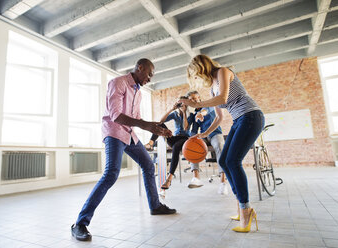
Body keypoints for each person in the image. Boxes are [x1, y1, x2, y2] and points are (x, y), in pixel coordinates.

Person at [71, 59, 176, 242]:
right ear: (139, 67)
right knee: (111, 173)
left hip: (129, 135)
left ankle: (155, 206)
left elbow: (136, 119)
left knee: (148, 165)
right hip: (113, 132)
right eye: (149, 74)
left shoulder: (139, 93)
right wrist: (145, 125)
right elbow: (116, 115)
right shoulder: (118, 83)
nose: (150, 79)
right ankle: (80, 223)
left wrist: (157, 128)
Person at [178, 55, 264, 233]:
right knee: (224, 161)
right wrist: (205, 134)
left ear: (201, 68)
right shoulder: (212, 89)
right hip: (239, 120)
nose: (198, 79)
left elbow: (224, 98)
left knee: (233, 161)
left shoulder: (224, 72)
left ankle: (246, 210)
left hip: (251, 116)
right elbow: (219, 117)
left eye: (196, 75)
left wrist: (197, 104)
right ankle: (242, 207)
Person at [187, 90, 228, 194]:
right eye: (191, 99)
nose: (194, 100)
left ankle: (223, 182)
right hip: (204, 136)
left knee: (219, 145)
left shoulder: (209, 104)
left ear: (199, 98)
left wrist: (201, 114)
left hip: (215, 134)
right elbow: (194, 131)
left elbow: (206, 110)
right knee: (192, 146)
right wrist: (190, 140)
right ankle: (196, 177)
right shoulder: (195, 114)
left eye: (195, 98)